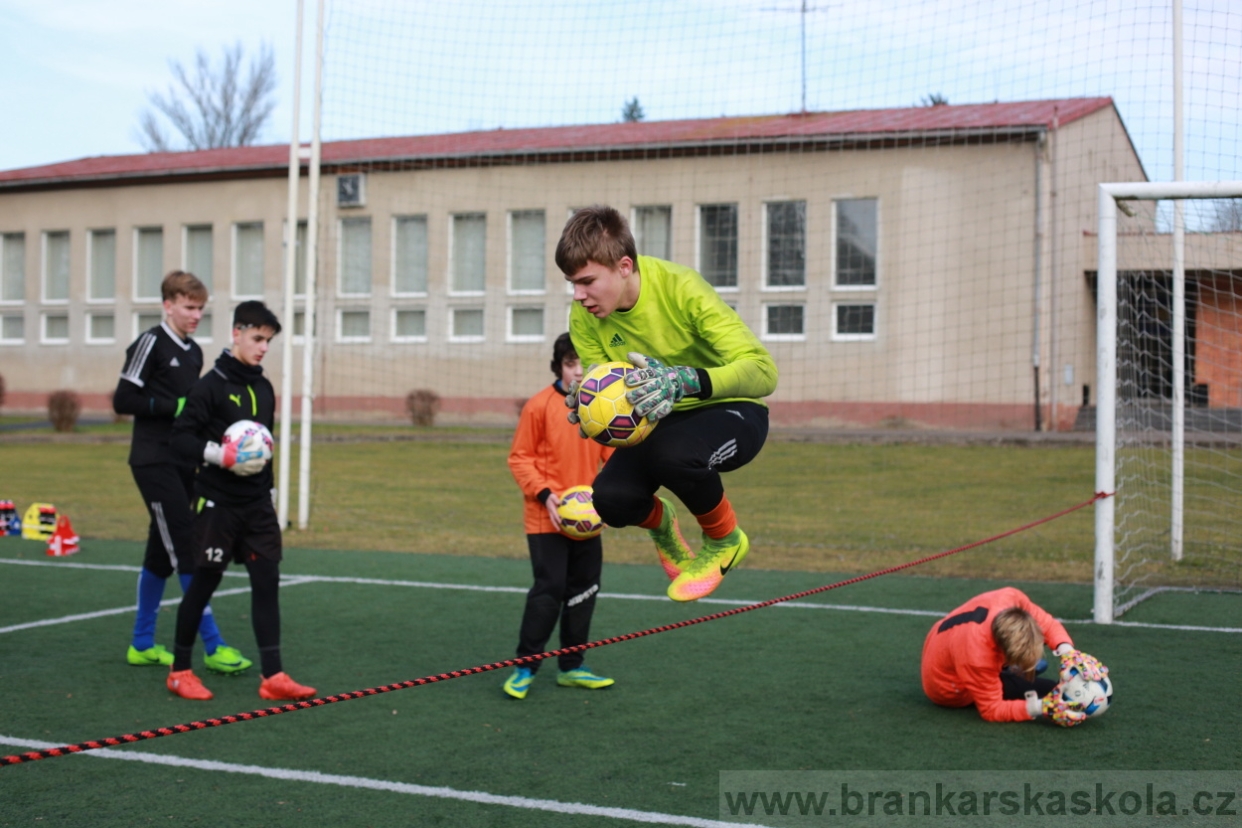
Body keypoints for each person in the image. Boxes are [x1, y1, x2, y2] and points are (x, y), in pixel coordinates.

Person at [556, 205, 778, 602]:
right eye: (572, 283)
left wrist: (686, 380)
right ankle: (664, 527)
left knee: (672, 454)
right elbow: (611, 389)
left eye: (587, 281)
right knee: (611, 501)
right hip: (658, 422)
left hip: (733, 409)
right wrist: (591, 403)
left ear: (624, 266)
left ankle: (725, 540)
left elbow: (763, 372)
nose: (578, 295)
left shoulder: (681, 288)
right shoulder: (583, 315)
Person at [165, 301, 314, 701]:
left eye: (268, 340)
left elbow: (265, 447)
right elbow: (180, 439)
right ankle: (180, 671)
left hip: (256, 506)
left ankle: (273, 676)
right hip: (217, 505)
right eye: (257, 338)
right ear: (236, 333)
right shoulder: (208, 386)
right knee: (203, 585)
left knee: (267, 582)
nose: (264, 347)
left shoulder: (264, 388)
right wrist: (219, 454)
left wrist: (270, 494)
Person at [113, 270, 251, 675]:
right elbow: (124, 398)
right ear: (168, 304)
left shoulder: (193, 352)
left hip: (184, 463)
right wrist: (169, 407)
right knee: (188, 549)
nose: (196, 315)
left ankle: (141, 644)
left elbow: (193, 415)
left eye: (201, 309)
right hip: (153, 463)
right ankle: (213, 645)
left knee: (160, 555)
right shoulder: (149, 343)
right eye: (189, 308)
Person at [502, 333, 616, 699]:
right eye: (571, 364)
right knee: (548, 591)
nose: (578, 372)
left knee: (584, 590)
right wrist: (546, 494)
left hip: (587, 520)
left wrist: (616, 494)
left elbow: (612, 459)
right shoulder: (538, 406)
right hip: (546, 518)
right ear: (559, 367)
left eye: (584, 364)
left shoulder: (598, 407)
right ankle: (525, 667)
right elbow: (520, 458)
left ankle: (572, 666)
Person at [921, 586, 1109, 726]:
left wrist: (1069, 652)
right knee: (1051, 690)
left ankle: (1019, 669)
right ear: (1003, 653)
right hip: (946, 688)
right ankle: (1016, 671)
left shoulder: (1011, 597)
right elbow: (991, 709)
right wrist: (1040, 706)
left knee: (1034, 672)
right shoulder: (978, 658)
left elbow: (1048, 624)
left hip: (943, 645)